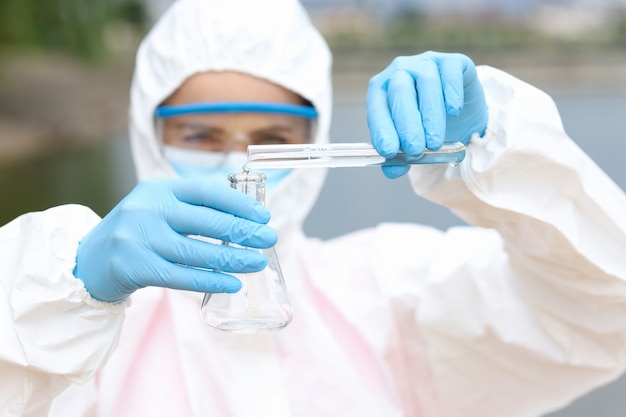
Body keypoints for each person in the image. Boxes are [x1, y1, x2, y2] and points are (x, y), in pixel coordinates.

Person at [2, 0, 626, 416]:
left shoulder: (389, 293)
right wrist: (64, 291)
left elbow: (605, 313)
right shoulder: (77, 331)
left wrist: (502, 148)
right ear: (147, 132)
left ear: (317, 137)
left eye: (273, 140)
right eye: (199, 135)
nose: (236, 162)